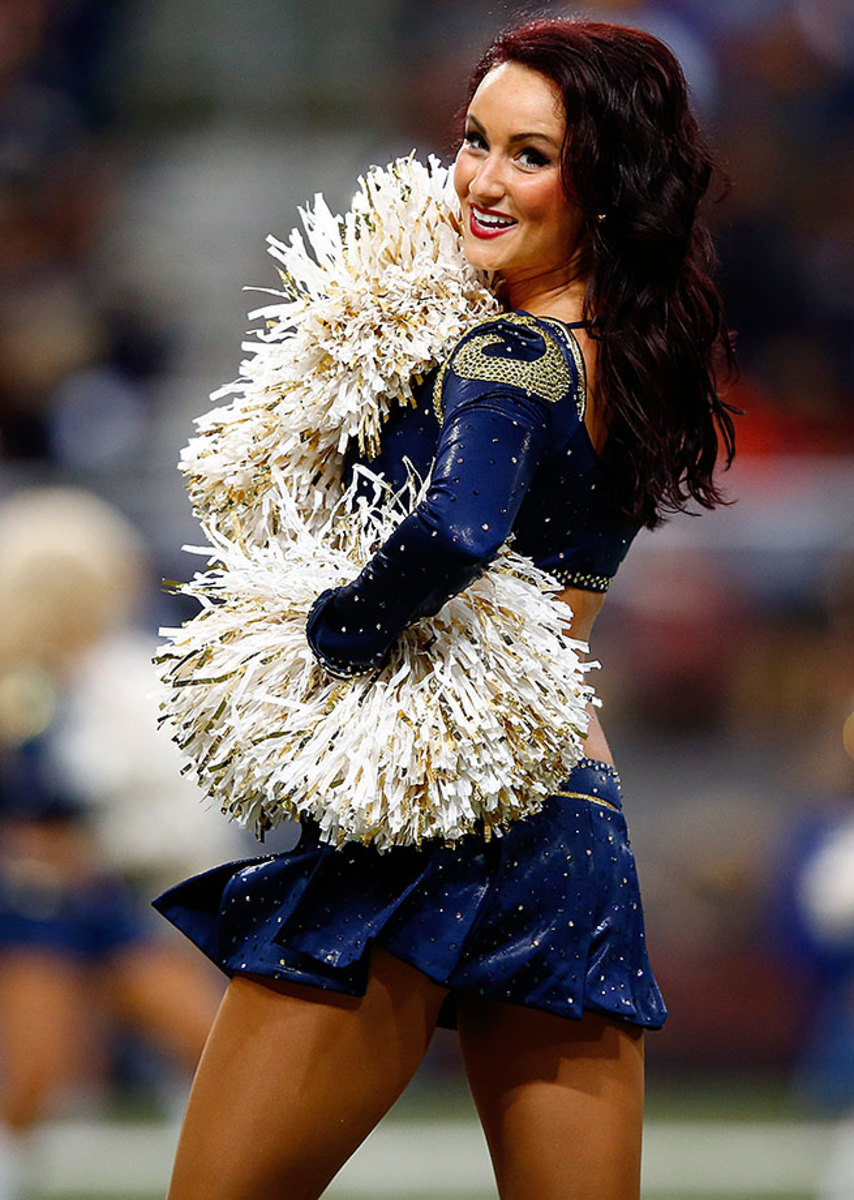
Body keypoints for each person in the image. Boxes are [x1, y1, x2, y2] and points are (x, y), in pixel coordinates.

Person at [154, 17, 736, 1200]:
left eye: (530, 156)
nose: (477, 178)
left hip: (425, 820)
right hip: (568, 817)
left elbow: (459, 530)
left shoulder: (509, 353)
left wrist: (336, 629)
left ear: (607, 187)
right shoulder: (618, 352)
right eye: (473, 139)